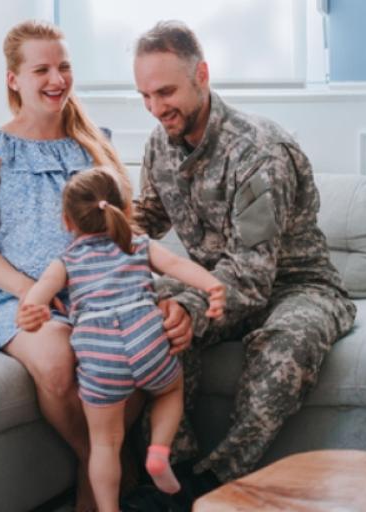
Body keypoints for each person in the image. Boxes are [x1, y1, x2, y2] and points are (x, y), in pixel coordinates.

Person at [0, 19, 191, 511]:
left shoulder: (94, 145)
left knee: (146, 346)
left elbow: (125, 235)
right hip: (26, 298)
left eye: (64, 66)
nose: (56, 78)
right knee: (61, 363)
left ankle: (98, 484)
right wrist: (34, 292)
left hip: (103, 291)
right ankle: (103, 468)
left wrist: (162, 296)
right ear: (13, 79)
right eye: (41, 68)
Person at [130, 20, 358, 493]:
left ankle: (216, 481)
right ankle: (172, 473)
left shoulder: (259, 151)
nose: (155, 108)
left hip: (296, 286)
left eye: (166, 92)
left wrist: (190, 306)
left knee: (288, 341)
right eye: (145, 95)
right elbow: (148, 217)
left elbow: (253, 278)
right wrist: (96, 241)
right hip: (216, 283)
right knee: (145, 314)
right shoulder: (160, 144)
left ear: (203, 75)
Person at [16, 168, 226, 512]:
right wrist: (212, 286)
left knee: (104, 444)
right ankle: (159, 453)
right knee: (170, 390)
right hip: (146, 338)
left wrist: (30, 312)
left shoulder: (66, 260)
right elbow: (175, 265)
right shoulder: (138, 244)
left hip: (100, 354)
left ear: (67, 221)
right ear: (124, 210)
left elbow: (36, 297)